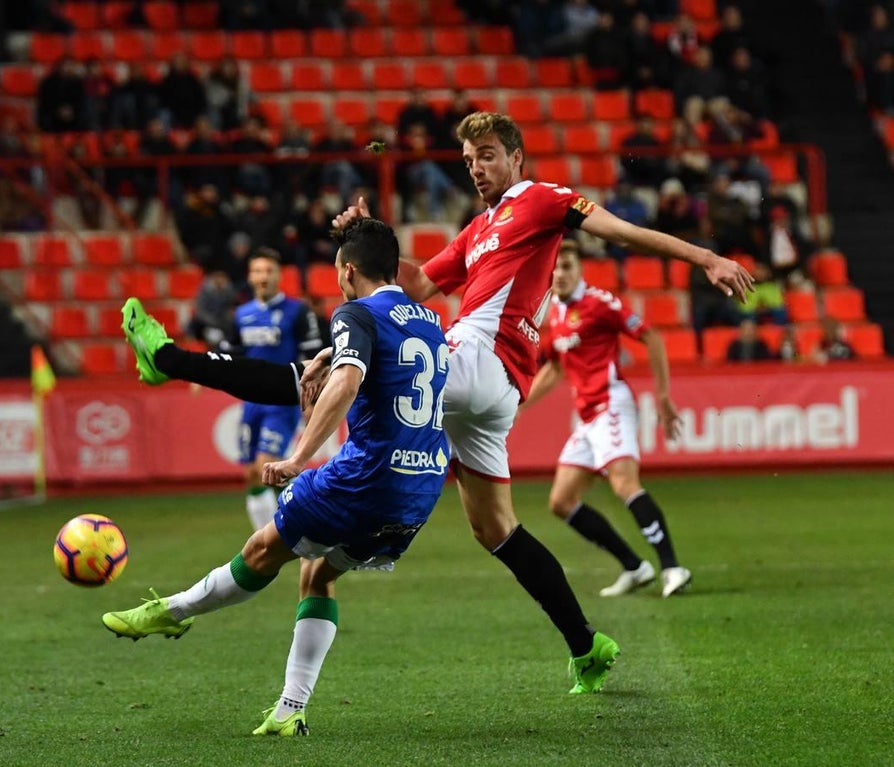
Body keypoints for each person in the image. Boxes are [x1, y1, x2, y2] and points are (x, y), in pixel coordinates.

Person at [327, 111, 751, 690]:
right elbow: (418, 284)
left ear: (516, 157)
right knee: (495, 529)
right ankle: (586, 645)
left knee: (366, 368)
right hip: (497, 394)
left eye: (488, 155)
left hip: (480, 356)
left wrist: (705, 257)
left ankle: (314, 491)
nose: (478, 168)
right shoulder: (477, 231)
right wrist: (366, 238)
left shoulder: (543, 198)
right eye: (470, 160)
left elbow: (620, 231)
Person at [104, 218, 451, 736]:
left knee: (260, 553)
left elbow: (351, 382)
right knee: (318, 574)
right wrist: (333, 355)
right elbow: (390, 366)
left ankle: (174, 610)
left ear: (348, 269)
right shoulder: (428, 318)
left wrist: (300, 455)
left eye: (338, 271)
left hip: (365, 479)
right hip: (421, 486)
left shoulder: (354, 311)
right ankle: (290, 710)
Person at [520, 242, 692, 598]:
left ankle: (672, 568)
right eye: (555, 269)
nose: (561, 275)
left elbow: (651, 337)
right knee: (561, 501)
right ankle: (635, 567)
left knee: (624, 484)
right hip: (587, 418)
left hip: (612, 404)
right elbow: (554, 367)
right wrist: (521, 404)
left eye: (567, 266)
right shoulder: (555, 312)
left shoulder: (600, 303)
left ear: (580, 269)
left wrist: (662, 395)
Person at [233, 248, 324, 530]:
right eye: (258, 271)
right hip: (251, 402)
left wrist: (312, 401)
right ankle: (265, 536)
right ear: (250, 276)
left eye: (268, 271)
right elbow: (232, 355)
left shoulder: (298, 312)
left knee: (266, 467)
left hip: (282, 400)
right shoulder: (241, 315)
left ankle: (290, 533)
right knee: (252, 473)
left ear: (279, 276)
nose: (263, 277)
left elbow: (315, 358)